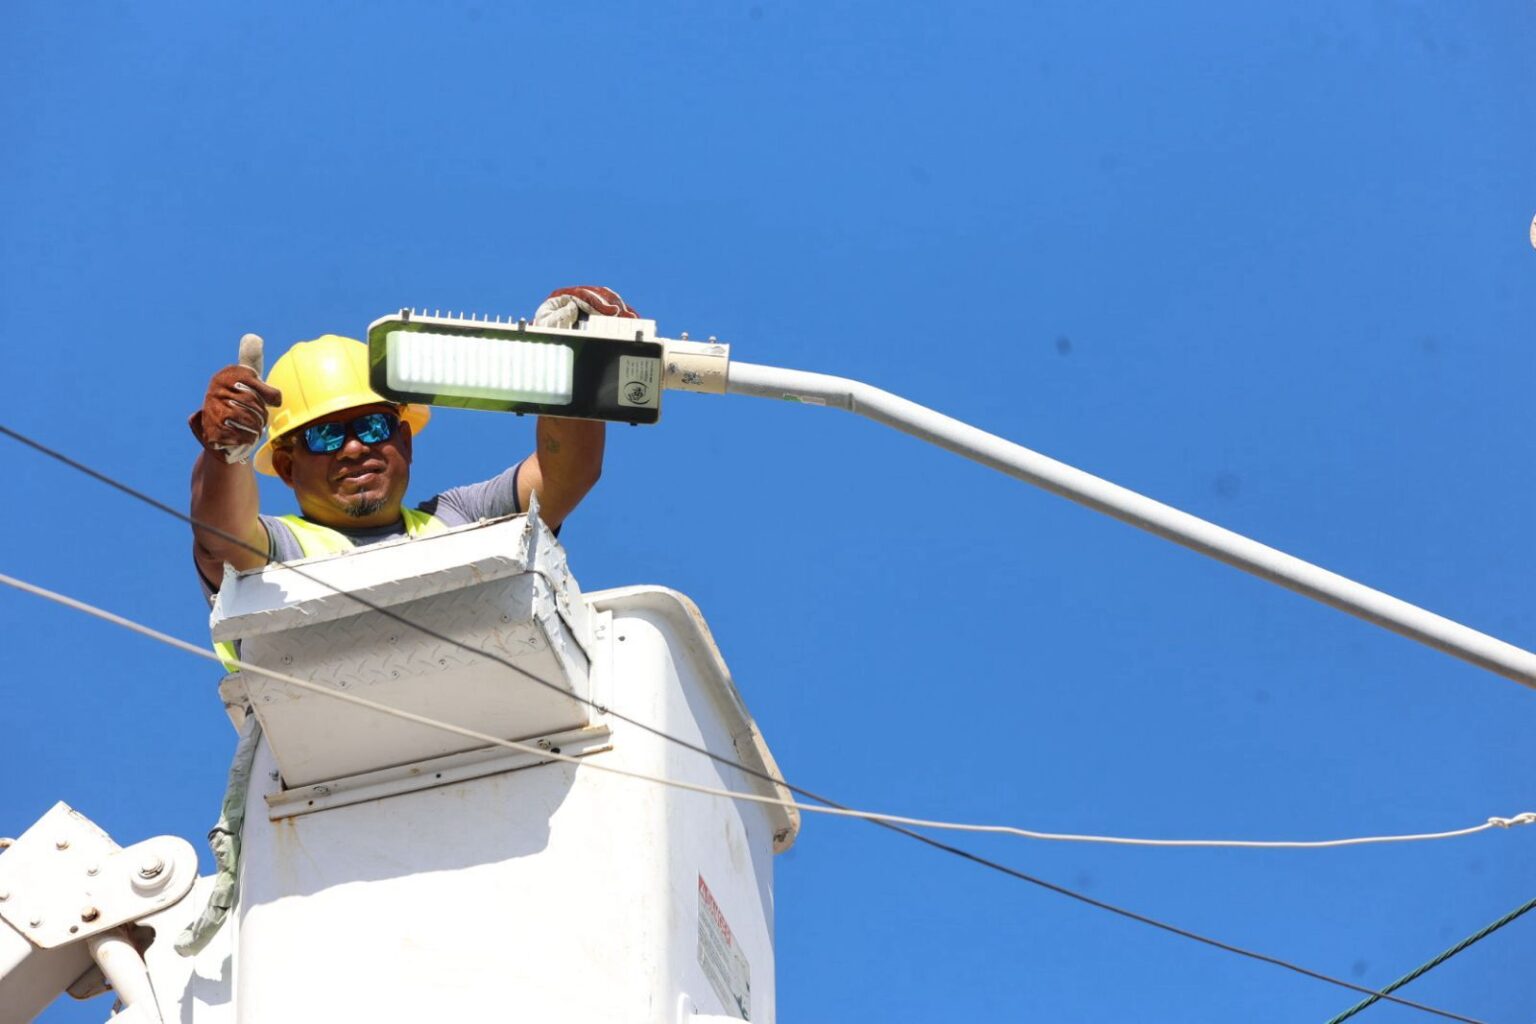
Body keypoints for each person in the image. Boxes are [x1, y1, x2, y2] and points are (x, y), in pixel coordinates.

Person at [188, 286, 631, 593]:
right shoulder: (280, 549)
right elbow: (220, 537)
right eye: (325, 435)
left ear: (405, 440)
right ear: (286, 467)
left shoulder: (459, 519)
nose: (356, 447)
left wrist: (575, 369)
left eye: (374, 427)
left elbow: (566, 476)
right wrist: (225, 454)